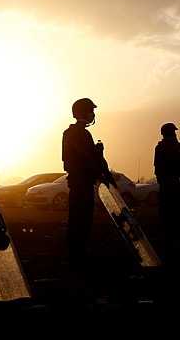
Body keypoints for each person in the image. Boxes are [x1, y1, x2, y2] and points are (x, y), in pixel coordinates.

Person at [61, 98, 116, 264]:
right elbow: (84, 158)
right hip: (79, 181)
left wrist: (104, 171)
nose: (93, 115)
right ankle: (75, 254)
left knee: (85, 218)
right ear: (84, 112)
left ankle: (79, 252)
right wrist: (101, 175)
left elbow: (92, 157)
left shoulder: (83, 133)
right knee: (79, 217)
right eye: (91, 111)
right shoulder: (73, 133)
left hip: (84, 181)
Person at [154, 123, 180, 239]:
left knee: (175, 202)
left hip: (170, 179)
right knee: (169, 203)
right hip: (167, 179)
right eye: (173, 133)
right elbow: (176, 159)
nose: (175, 135)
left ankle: (175, 224)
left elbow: (179, 159)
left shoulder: (168, 146)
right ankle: (168, 226)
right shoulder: (164, 147)